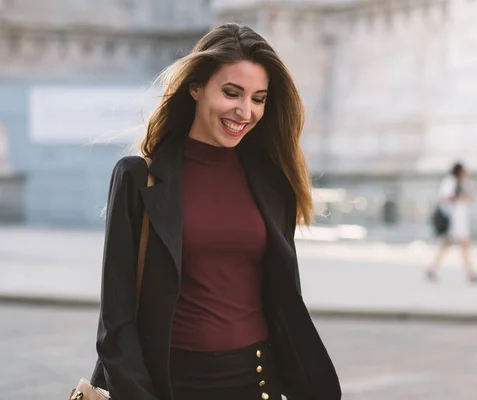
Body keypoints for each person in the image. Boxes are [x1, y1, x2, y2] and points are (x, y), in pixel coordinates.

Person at [89, 23, 341, 400]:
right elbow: (116, 323)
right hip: (168, 385)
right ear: (196, 88)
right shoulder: (139, 178)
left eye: (258, 98)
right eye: (231, 92)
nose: (245, 111)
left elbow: (282, 297)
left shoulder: (274, 183)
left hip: (255, 381)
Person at [425, 162, 477, 284]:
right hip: (454, 221)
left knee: (447, 245)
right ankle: (471, 273)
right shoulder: (450, 181)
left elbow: (467, 199)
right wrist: (460, 198)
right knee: (463, 246)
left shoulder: (460, 182)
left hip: (459, 220)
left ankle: (432, 269)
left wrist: (474, 190)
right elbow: (446, 197)